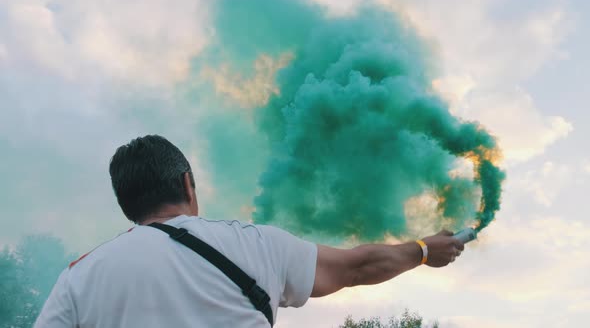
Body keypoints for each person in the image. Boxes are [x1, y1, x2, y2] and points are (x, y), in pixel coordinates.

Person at [35, 135, 464, 327]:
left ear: (127, 206)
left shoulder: (79, 279)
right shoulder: (256, 245)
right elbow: (358, 266)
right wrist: (425, 251)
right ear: (187, 183)